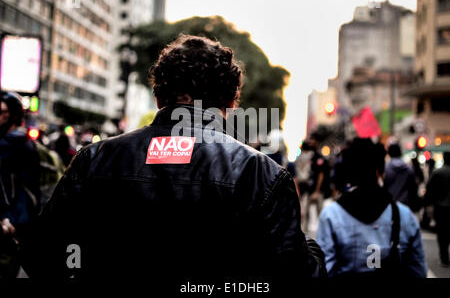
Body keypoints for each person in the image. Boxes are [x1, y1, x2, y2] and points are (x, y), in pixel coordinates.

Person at [21, 35, 326, 279]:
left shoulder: (94, 159)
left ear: (158, 96)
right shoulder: (260, 173)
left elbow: (40, 255)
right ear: (232, 101)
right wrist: (311, 249)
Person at [317, 138, 426, 278]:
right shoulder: (404, 216)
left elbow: (325, 271)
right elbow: (418, 272)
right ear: (379, 172)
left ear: (349, 172)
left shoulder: (331, 215)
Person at [0, 92, 41, 278]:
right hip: (20, 218)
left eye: (3, 112)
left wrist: (9, 219)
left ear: (13, 115)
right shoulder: (25, 142)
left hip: (12, 220)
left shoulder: (11, 143)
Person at [425, 152, 450, 267]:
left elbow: (429, 190)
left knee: (442, 233)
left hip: (441, 207)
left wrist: (428, 204)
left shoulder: (437, 172)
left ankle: (444, 258)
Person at [384, 143, 420, 212]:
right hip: (405, 205)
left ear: (389, 153)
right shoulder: (408, 169)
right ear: (400, 152)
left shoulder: (386, 169)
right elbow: (413, 188)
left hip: (390, 206)